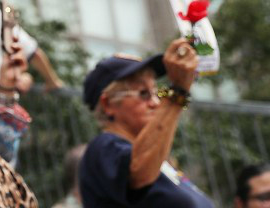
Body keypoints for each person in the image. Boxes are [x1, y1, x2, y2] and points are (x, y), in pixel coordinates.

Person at [79, 40, 214, 207]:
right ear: (108, 104)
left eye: (157, 93)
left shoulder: (160, 161)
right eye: (144, 94)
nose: (156, 103)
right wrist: (178, 91)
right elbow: (138, 173)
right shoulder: (105, 147)